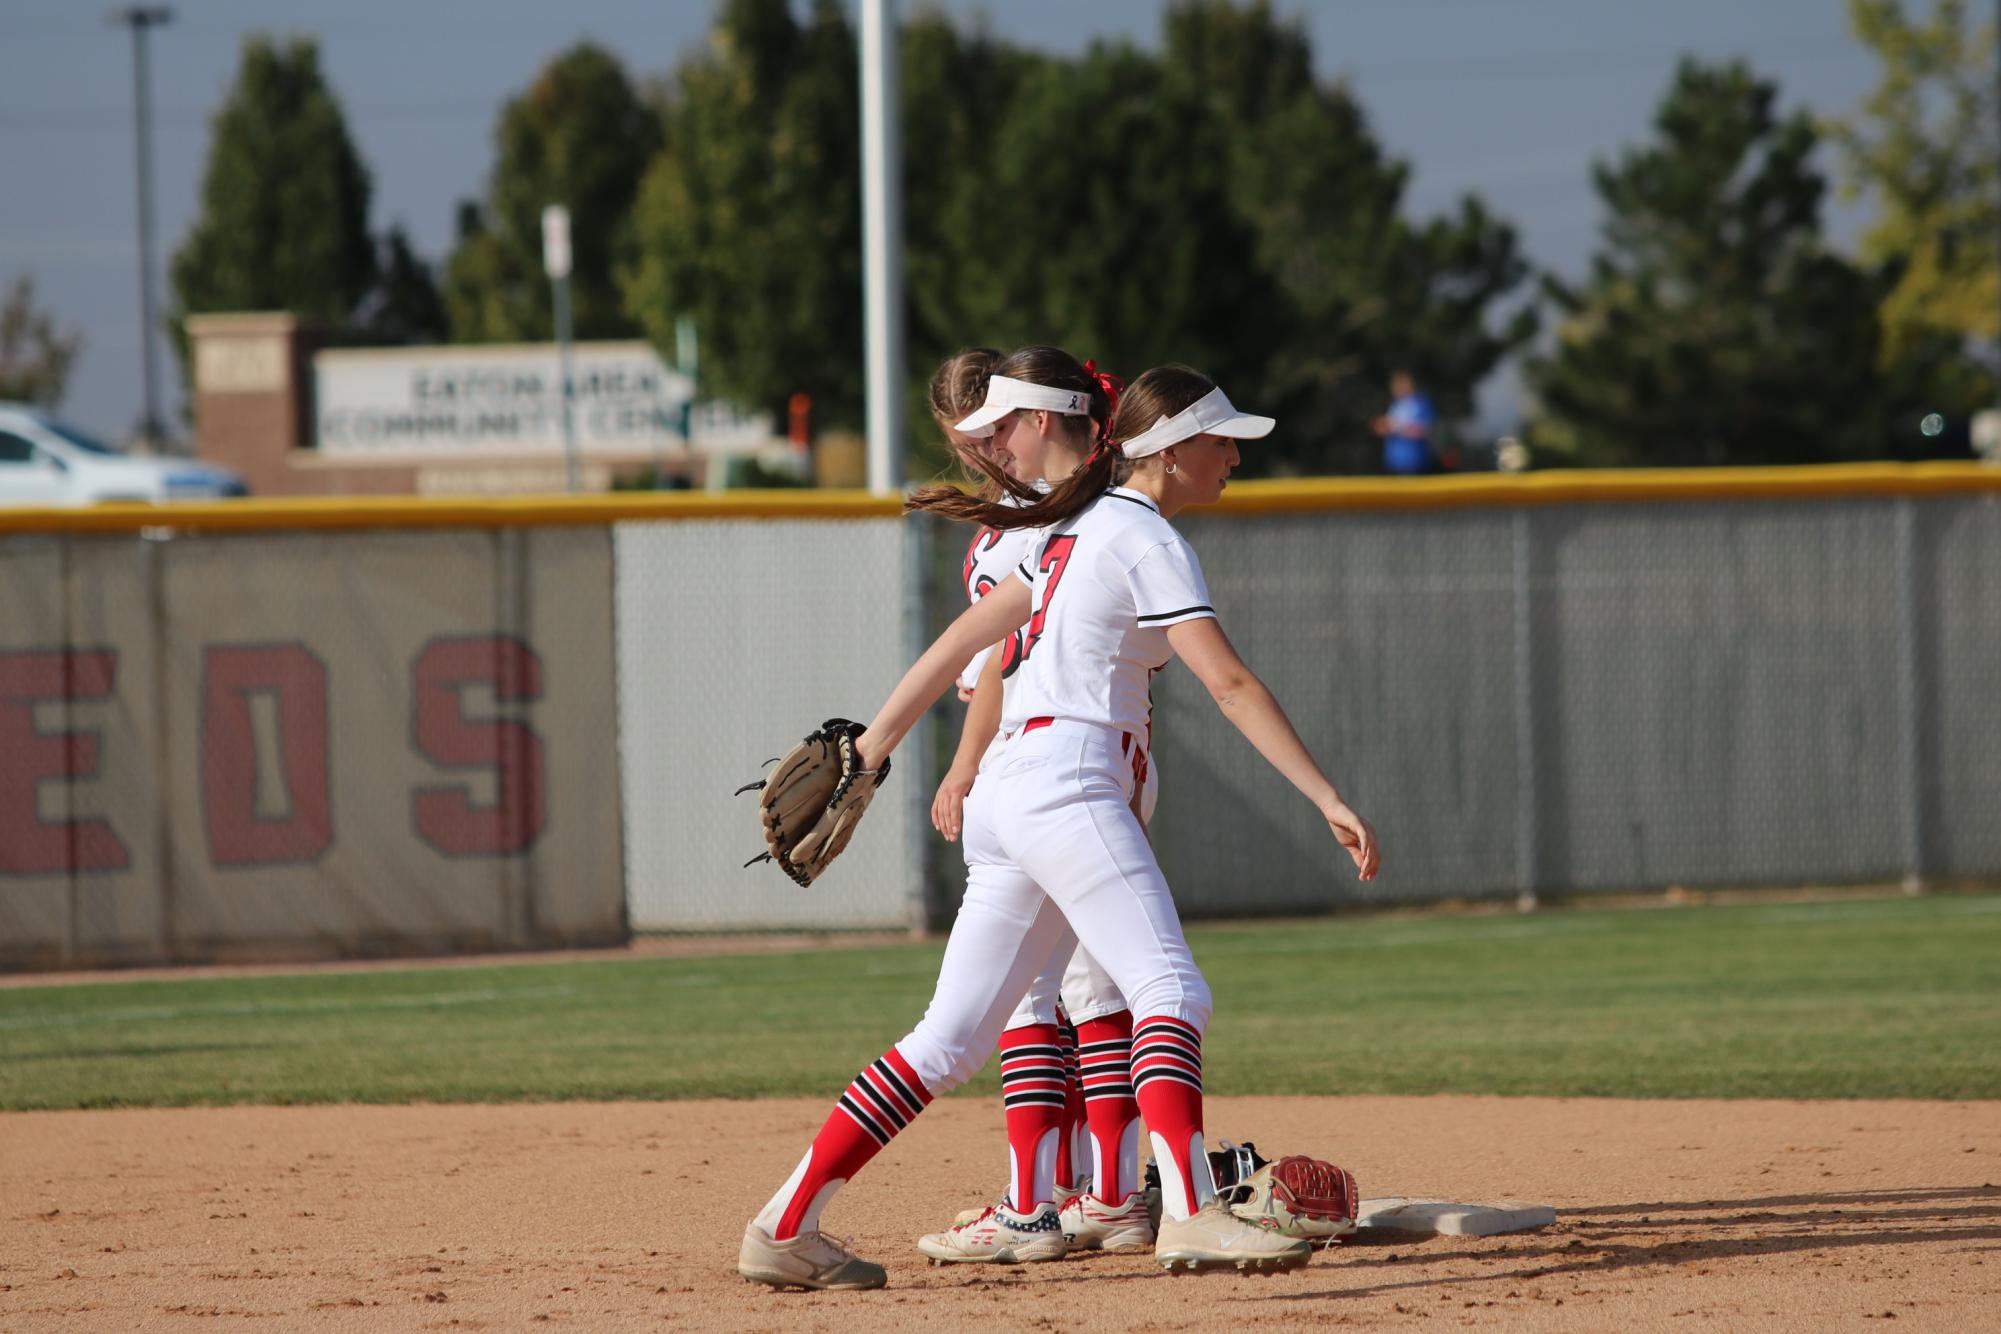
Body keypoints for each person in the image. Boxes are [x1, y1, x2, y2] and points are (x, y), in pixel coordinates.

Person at [737, 364, 1379, 1291]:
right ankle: (1191, 1213)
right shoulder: (1137, 534)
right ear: (1167, 449)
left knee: (946, 1040)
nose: (1232, 455)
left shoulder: (1061, 532)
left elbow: (970, 643)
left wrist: (876, 744)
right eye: (1219, 438)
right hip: (1072, 776)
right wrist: (1324, 795)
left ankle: (783, 1223)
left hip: (1012, 792)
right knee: (1168, 986)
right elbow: (1229, 684)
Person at [914, 346, 1158, 1263]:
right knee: (1087, 986)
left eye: (983, 429)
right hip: (1083, 754)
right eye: (964, 436)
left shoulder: (1043, 515)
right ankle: (1091, 1191)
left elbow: (1002, 668)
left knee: (1044, 989)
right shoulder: (1045, 510)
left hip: (1052, 758)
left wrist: (960, 763)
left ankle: (1048, 1200)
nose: (977, 448)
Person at [1371, 369, 1437, 475]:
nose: (1398, 388)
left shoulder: (1421, 402)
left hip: (1415, 463)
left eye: (1401, 384)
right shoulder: (1395, 404)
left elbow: (1424, 429)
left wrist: (1395, 427)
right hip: (1394, 464)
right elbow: (1384, 429)